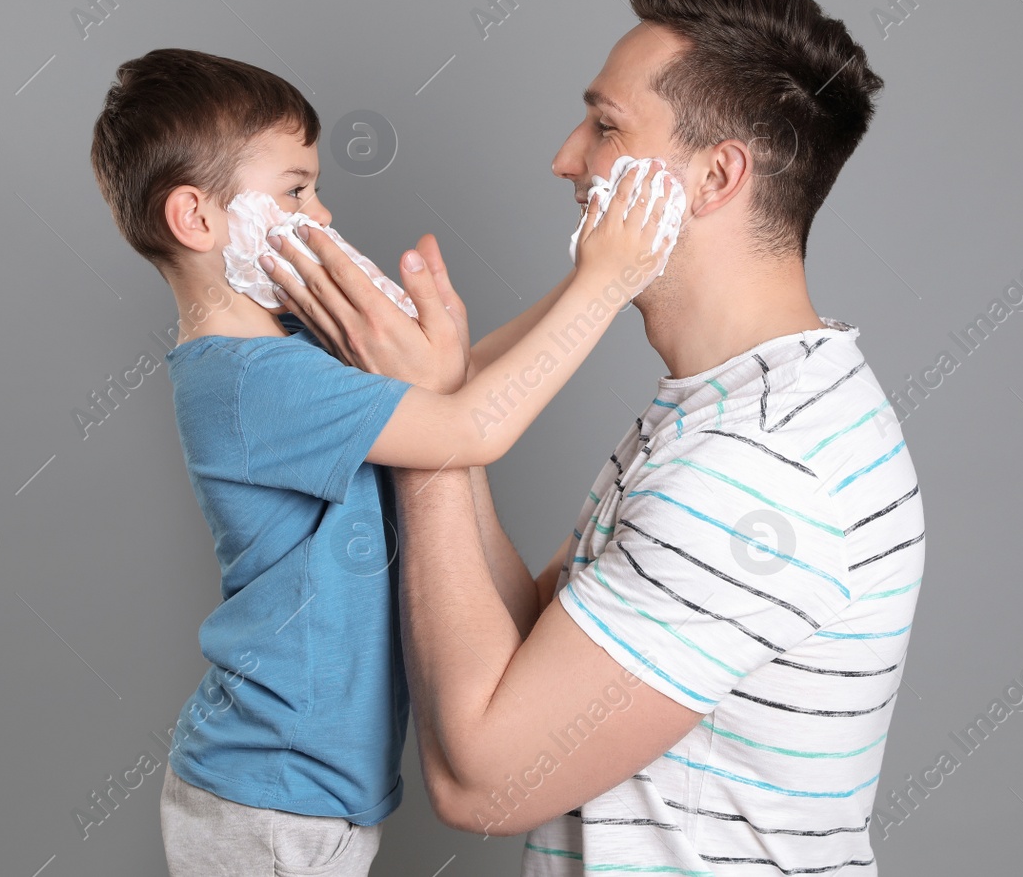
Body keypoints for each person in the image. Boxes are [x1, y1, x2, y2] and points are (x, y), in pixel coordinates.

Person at [267, 0, 925, 875]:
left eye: (606, 127)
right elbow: (535, 647)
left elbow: (483, 781)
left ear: (715, 174)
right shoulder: (732, 404)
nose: (566, 158)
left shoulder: (758, 468)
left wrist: (422, 431)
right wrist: (445, 411)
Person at [86, 47, 673, 876]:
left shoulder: (289, 352)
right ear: (197, 219)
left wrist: (584, 278)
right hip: (270, 799)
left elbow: (451, 392)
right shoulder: (253, 381)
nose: (320, 214)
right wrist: (605, 286)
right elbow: (472, 427)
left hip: (294, 789)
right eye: (295, 189)